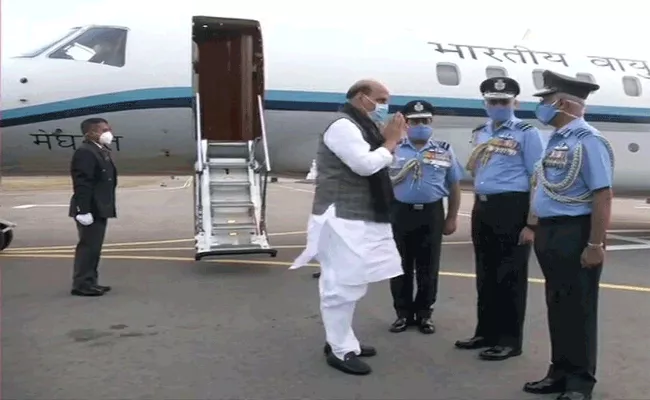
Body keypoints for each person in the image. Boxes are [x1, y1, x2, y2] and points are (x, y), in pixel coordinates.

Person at [290, 79, 406, 375]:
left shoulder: (363, 126)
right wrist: (390, 142)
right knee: (340, 285)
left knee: (351, 282)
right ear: (360, 97)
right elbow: (364, 165)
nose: (384, 105)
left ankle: (343, 340)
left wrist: (388, 142)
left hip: (358, 216)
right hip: (341, 216)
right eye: (380, 99)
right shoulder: (343, 126)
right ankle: (339, 350)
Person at [523, 70, 614, 400]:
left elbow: (602, 195)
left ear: (562, 103)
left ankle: (579, 382)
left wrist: (595, 244)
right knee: (557, 305)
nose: (543, 107)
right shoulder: (556, 141)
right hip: (550, 232)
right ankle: (558, 372)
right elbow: (544, 186)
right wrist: (533, 225)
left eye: (546, 100)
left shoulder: (589, 140)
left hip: (575, 233)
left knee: (579, 308)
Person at [455, 77, 544, 361]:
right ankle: (486, 333)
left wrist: (532, 223)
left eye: (504, 102)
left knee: (510, 276)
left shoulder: (526, 133)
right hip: (484, 208)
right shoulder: (481, 132)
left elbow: (537, 178)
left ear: (515, 103)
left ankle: (509, 340)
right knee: (486, 274)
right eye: (492, 101)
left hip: (512, 208)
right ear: (485, 104)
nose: (498, 106)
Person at [387, 100, 463, 334]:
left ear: (431, 122)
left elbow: (454, 186)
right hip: (400, 213)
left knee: (428, 267)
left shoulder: (444, 149)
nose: (420, 125)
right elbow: (380, 185)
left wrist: (451, 217)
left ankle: (424, 314)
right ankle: (402, 314)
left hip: (431, 213)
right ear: (406, 123)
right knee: (399, 267)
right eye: (415, 121)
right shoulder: (393, 149)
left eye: (425, 121)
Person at [68, 117, 118, 297]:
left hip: (99, 207)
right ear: (91, 133)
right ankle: (81, 284)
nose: (108, 132)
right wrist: (83, 210)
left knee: (94, 248)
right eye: (104, 129)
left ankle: (91, 281)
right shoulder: (85, 152)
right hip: (90, 208)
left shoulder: (99, 150)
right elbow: (82, 183)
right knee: (88, 247)